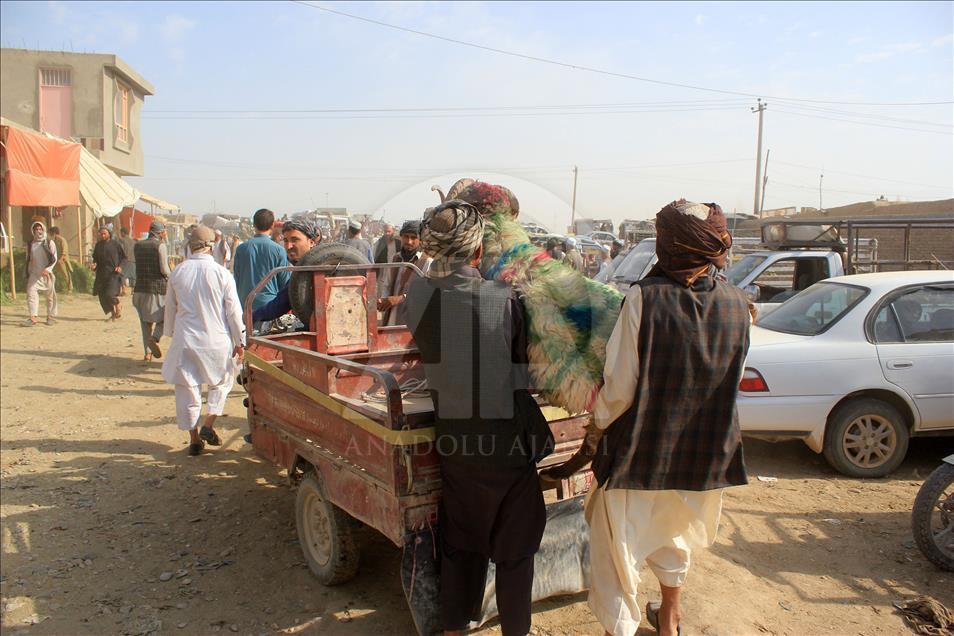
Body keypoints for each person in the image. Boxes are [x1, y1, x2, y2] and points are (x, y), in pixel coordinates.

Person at [543, 199, 751, 636]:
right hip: (704, 454)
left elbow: (619, 389)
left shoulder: (644, 297)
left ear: (668, 245)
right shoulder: (738, 304)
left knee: (619, 551)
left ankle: (621, 629)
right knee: (675, 536)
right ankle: (670, 622)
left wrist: (596, 426)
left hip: (641, 451)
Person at [404, 200, 554, 636]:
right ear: (476, 252)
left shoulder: (417, 296)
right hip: (506, 446)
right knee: (515, 552)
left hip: (456, 442)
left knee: (460, 546)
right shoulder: (503, 299)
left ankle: (454, 628)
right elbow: (521, 366)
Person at [162, 225, 245, 456]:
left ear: (190, 245)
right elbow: (233, 313)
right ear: (212, 246)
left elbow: (170, 308)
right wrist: (241, 341)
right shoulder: (222, 274)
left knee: (188, 389)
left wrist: (169, 333)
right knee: (222, 382)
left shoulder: (178, 271)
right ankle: (209, 424)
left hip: (186, 340)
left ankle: (194, 438)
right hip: (216, 340)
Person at [251, 214, 322, 324]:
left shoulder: (310, 269)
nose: (288, 246)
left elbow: (278, 305)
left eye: (295, 240)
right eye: (286, 241)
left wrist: (250, 316)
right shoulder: (303, 268)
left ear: (311, 242)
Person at [232, 209, 290, 314]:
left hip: (245, 306)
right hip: (270, 307)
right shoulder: (278, 250)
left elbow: (236, 278)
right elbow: (285, 283)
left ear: (254, 224)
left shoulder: (241, 248)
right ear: (272, 225)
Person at [377, 220, 431, 326]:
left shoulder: (427, 262)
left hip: (413, 321)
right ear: (401, 237)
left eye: (413, 237)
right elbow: (387, 285)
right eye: (406, 236)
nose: (409, 241)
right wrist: (384, 300)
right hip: (392, 317)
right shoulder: (396, 258)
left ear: (420, 240)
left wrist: (400, 298)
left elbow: (426, 294)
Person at [133, 221, 171, 362]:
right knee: (165, 317)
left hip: (139, 288)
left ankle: (147, 353)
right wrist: (173, 279)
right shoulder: (160, 246)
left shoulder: (138, 245)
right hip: (157, 289)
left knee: (145, 322)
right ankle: (155, 337)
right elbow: (164, 270)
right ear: (160, 233)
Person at [23, 221, 58, 326]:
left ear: (43, 230)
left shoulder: (49, 243)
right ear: (33, 231)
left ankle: (50, 316)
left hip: (47, 273)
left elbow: (54, 258)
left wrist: (48, 269)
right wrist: (28, 272)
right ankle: (33, 317)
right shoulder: (30, 244)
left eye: (40, 229)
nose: (38, 231)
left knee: (50, 296)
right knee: (31, 293)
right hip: (34, 273)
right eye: (36, 229)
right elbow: (28, 259)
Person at [92, 226, 126, 321]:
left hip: (113, 273)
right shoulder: (98, 245)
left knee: (109, 294)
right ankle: (112, 313)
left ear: (109, 234)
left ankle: (117, 304)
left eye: (104, 233)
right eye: (101, 234)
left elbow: (124, 258)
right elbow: (95, 258)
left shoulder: (116, 244)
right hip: (101, 273)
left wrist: (120, 266)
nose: (103, 235)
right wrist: (94, 264)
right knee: (102, 295)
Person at [49, 226, 73, 293]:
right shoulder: (53, 241)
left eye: (51, 233)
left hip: (62, 260)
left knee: (66, 274)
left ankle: (70, 288)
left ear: (54, 233)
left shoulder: (62, 240)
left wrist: (61, 259)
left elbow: (64, 250)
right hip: (55, 260)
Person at [118, 226, 136, 294]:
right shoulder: (134, 242)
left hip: (125, 260)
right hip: (133, 260)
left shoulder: (122, 241)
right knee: (133, 276)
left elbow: (120, 251)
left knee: (122, 274)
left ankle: (123, 290)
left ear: (123, 233)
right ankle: (133, 290)